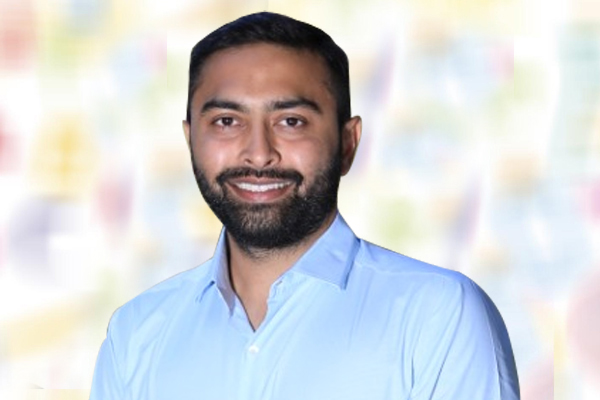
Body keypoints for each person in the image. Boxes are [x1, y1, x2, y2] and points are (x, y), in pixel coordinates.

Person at [90, 12, 520, 400]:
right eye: (227, 121)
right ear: (190, 140)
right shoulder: (137, 334)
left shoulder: (438, 315)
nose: (259, 154)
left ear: (348, 143)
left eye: (291, 121)